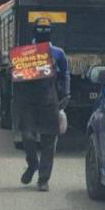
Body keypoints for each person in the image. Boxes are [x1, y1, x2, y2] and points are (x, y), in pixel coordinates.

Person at [13, 17, 70, 191]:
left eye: (46, 29)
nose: (43, 32)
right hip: (28, 102)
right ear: (34, 31)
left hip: (49, 100)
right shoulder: (24, 53)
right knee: (28, 137)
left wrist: (66, 93)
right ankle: (32, 165)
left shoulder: (58, 53)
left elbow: (65, 74)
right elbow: (16, 78)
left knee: (48, 141)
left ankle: (43, 179)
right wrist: (14, 69)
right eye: (40, 29)